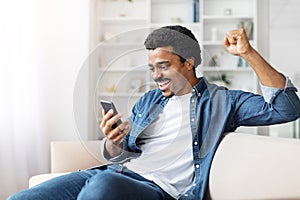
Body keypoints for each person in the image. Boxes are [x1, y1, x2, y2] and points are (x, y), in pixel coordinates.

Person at [8, 25, 300, 200]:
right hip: (113, 173)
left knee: (101, 187)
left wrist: (248, 54)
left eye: (164, 66)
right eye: (152, 68)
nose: (156, 76)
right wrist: (113, 141)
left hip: (158, 190)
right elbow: (122, 153)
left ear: (189, 62)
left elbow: (287, 108)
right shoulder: (149, 101)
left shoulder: (224, 101)